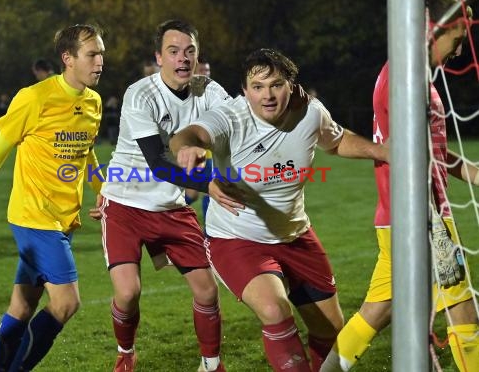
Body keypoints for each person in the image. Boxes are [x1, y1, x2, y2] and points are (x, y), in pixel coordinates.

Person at [170, 48, 389, 372]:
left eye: (275, 85)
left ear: (291, 86)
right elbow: (190, 135)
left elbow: (337, 140)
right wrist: (189, 147)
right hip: (237, 240)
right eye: (257, 87)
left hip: (296, 236)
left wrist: (384, 151)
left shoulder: (311, 113)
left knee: (331, 332)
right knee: (274, 309)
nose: (267, 95)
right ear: (245, 91)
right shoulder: (230, 117)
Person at [320, 0, 479, 371]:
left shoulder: (411, 75)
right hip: (418, 216)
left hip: (405, 215)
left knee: (376, 312)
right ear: (430, 30)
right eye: (456, 41)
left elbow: (425, 150)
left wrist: (471, 171)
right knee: (462, 308)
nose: (458, 51)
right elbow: (401, 152)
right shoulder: (404, 80)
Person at [90, 19, 237, 372]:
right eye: (173, 52)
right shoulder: (140, 94)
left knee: (207, 291)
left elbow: (240, 121)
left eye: (190, 52)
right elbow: (158, 161)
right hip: (126, 203)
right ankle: (126, 353)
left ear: (198, 57)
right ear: (159, 57)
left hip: (172, 207)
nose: (182, 59)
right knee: (127, 293)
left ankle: (211, 364)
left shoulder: (209, 91)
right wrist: (211, 184)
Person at [0, 23, 106, 372]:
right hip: (33, 217)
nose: (100, 61)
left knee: (21, 309)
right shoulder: (34, 97)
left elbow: (87, 155)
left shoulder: (94, 102)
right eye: (92, 54)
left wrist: (102, 192)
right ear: (68, 58)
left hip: (63, 218)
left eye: (102, 53)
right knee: (67, 303)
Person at [185, 58, 214, 226]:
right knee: (206, 191)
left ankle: (165, 215)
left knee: (197, 192)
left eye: (208, 71)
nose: (206, 74)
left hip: (209, 151)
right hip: (195, 151)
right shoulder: (190, 94)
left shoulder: (213, 93)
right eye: (202, 71)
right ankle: (208, 235)